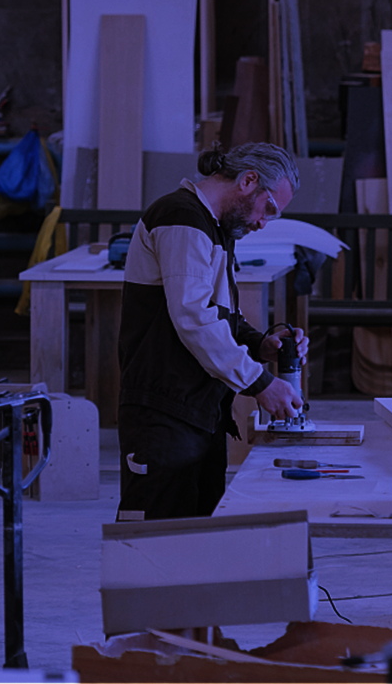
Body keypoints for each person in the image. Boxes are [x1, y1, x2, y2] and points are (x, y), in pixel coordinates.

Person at [115, 142, 309, 521]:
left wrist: (261, 345)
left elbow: (221, 314)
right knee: (154, 539)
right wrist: (260, 384)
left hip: (197, 409)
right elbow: (193, 317)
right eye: (268, 209)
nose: (263, 223)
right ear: (248, 181)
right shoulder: (182, 217)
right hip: (163, 409)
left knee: (199, 535)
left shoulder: (216, 229)